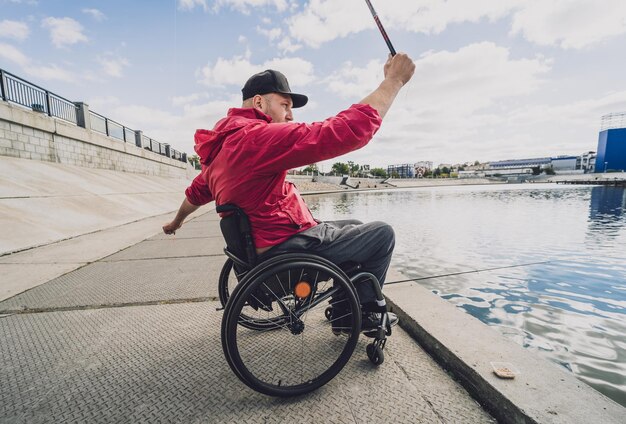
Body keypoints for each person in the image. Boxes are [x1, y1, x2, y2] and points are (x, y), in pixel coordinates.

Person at [163, 53, 415, 334]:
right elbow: (344, 131)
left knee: (355, 227)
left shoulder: (221, 152)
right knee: (382, 235)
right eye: (285, 105)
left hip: (263, 253)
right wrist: (393, 81)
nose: (291, 115)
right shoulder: (257, 139)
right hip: (287, 250)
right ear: (259, 102)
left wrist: (176, 222)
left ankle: (347, 306)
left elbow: (195, 194)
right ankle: (359, 314)